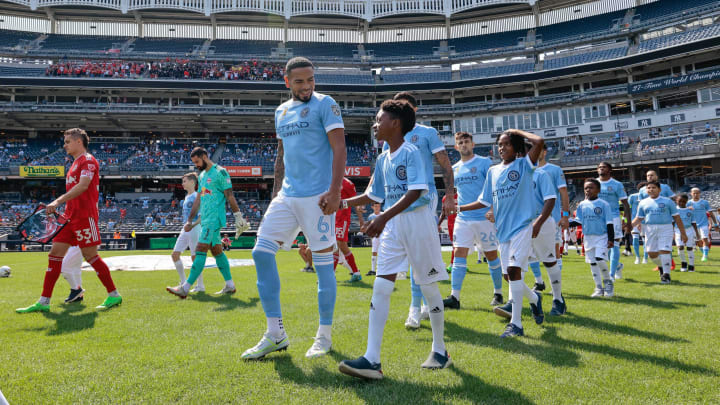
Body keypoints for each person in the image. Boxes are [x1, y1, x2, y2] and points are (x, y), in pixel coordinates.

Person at [338, 99, 450, 380]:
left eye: (379, 119)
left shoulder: (411, 152)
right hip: (392, 225)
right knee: (381, 285)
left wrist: (383, 217)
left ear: (395, 124)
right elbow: (374, 195)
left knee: (428, 286)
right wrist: (341, 204)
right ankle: (371, 359)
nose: (375, 124)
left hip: (417, 221)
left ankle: (440, 350)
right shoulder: (382, 158)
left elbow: (415, 192)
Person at [243, 57, 346, 360]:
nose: (306, 86)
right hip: (287, 196)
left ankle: (324, 336)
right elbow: (281, 155)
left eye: (311, 80)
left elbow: (339, 147)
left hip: (318, 197)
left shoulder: (325, 104)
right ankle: (275, 334)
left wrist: (335, 190)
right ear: (287, 82)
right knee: (260, 252)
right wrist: (277, 193)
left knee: (323, 266)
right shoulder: (281, 111)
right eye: (300, 81)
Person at [17, 128, 122, 313]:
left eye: (67, 141)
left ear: (78, 142)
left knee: (91, 257)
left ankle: (114, 295)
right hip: (69, 217)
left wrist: (57, 201)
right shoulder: (74, 163)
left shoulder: (88, 161)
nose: (64, 145)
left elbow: (83, 186)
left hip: (84, 217)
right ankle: (44, 301)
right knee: (54, 256)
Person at [459, 129, 545, 338]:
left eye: (507, 144)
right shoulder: (492, 171)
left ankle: (516, 324)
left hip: (522, 227)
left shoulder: (524, 165)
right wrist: (459, 208)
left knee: (515, 271)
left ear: (516, 147)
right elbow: (484, 201)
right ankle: (534, 299)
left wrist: (515, 131)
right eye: (500, 144)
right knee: (509, 276)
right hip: (502, 231)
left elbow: (539, 141)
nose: (502, 148)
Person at [382, 92, 455, 330]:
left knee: (417, 252)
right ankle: (422, 304)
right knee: (409, 254)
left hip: (424, 196)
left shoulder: (427, 133)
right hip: (397, 198)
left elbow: (445, 164)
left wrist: (450, 195)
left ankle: (415, 308)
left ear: (413, 110)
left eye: (403, 106)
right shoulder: (389, 135)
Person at [166, 147, 249, 298]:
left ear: (204, 157)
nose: (196, 165)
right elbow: (198, 199)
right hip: (205, 220)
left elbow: (229, 196)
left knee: (200, 249)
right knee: (217, 251)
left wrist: (238, 216)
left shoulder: (221, 172)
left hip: (214, 219)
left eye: (197, 161)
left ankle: (185, 288)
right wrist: (190, 220)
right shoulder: (202, 175)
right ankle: (230, 285)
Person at [441, 132, 502, 310]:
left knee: (491, 255)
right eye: (460, 142)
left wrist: (492, 209)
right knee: (459, 253)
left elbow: (494, 187)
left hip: (484, 217)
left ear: (473, 144)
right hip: (463, 218)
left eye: (467, 141)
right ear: (456, 147)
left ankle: (498, 292)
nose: (464, 144)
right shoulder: (454, 168)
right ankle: (455, 297)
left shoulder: (484, 162)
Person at [529, 143, 570, 315]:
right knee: (528, 256)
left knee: (552, 255)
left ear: (544, 152)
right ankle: (538, 283)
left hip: (548, 220)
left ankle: (557, 296)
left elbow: (563, 193)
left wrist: (566, 215)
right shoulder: (522, 171)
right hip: (526, 222)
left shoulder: (553, 170)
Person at [633, 181, 687, 285]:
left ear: (659, 190)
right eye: (649, 188)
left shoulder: (668, 202)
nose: (651, 189)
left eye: (653, 187)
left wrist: (683, 233)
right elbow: (639, 218)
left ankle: (666, 275)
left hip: (665, 228)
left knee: (665, 250)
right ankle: (662, 266)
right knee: (651, 254)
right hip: (649, 229)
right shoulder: (643, 203)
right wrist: (629, 226)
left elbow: (677, 217)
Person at [576, 179, 615, 297]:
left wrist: (611, 239)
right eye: (586, 188)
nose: (588, 190)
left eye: (591, 187)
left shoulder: (604, 204)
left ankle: (608, 284)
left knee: (600, 259)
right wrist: (565, 222)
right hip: (588, 237)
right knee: (593, 263)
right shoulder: (582, 205)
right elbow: (578, 220)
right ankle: (598, 288)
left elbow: (609, 223)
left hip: (601, 236)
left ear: (598, 190)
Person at [597, 162, 630, 280]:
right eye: (599, 167)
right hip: (598, 218)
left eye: (604, 167)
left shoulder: (617, 184)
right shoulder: (594, 183)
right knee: (604, 246)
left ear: (609, 170)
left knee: (614, 244)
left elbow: (626, 204)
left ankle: (611, 275)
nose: (601, 169)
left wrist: (626, 220)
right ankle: (618, 266)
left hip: (614, 217)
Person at [170, 172, 204, 291]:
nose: (182, 184)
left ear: (192, 182)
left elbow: (201, 216)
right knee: (175, 255)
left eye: (184, 181)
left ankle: (200, 286)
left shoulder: (196, 196)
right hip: (185, 229)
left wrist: (192, 225)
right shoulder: (186, 197)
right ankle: (184, 283)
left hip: (194, 229)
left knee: (195, 258)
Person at [334, 177, 365, 282]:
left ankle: (330, 276)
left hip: (342, 219)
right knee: (339, 245)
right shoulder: (330, 181)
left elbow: (356, 203)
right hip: (332, 218)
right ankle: (356, 273)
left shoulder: (348, 184)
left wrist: (361, 221)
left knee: (338, 244)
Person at [688, 187, 717, 262]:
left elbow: (711, 213)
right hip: (693, 225)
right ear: (691, 193)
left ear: (699, 193)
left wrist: (715, 224)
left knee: (705, 238)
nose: (695, 194)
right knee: (698, 241)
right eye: (694, 193)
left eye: (697, 193)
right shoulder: (688, 203)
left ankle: (705, 256)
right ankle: (704, 252)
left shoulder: (704, 202)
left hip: (704, 224)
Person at [675, 194, 698, 272]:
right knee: (680, 247)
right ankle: (683, 263)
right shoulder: (674, 210)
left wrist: (697, 234)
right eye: (679, 201)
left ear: (686, 202)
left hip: (689, 230)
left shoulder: (690, 211)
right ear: (676, 201)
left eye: (683, 201)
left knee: (689, 248)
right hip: (678, 230)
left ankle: (691, 265)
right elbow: (672, 222)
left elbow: (693, 223)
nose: (681, 203)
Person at [437, 188, 458, 272]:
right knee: (455, 244)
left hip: (461, 223)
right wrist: (438, 224)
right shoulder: (445, 198)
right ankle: (454, 264)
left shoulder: (461, 195)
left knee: (459, 245)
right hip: (451, 224)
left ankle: (456, 264)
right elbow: (443, 212)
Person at [628, 182, 647, 265]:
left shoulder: (648, 198)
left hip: (645, 221)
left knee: (645, 240)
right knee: (635, 238)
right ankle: (637, 257)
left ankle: (645, 258)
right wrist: (626, 220)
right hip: (635, 220)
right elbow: (628, 209)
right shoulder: (632, 197)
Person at [366, 202, 382, 276]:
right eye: (375, 206)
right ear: (372, 207)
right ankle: (373, 270)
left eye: (378, 206)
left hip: (383, 236)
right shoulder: (370, 216)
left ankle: (382, 270)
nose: (377, 208)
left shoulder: (383, 214)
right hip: (375, 236)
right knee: (374, 252)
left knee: (383, 252)